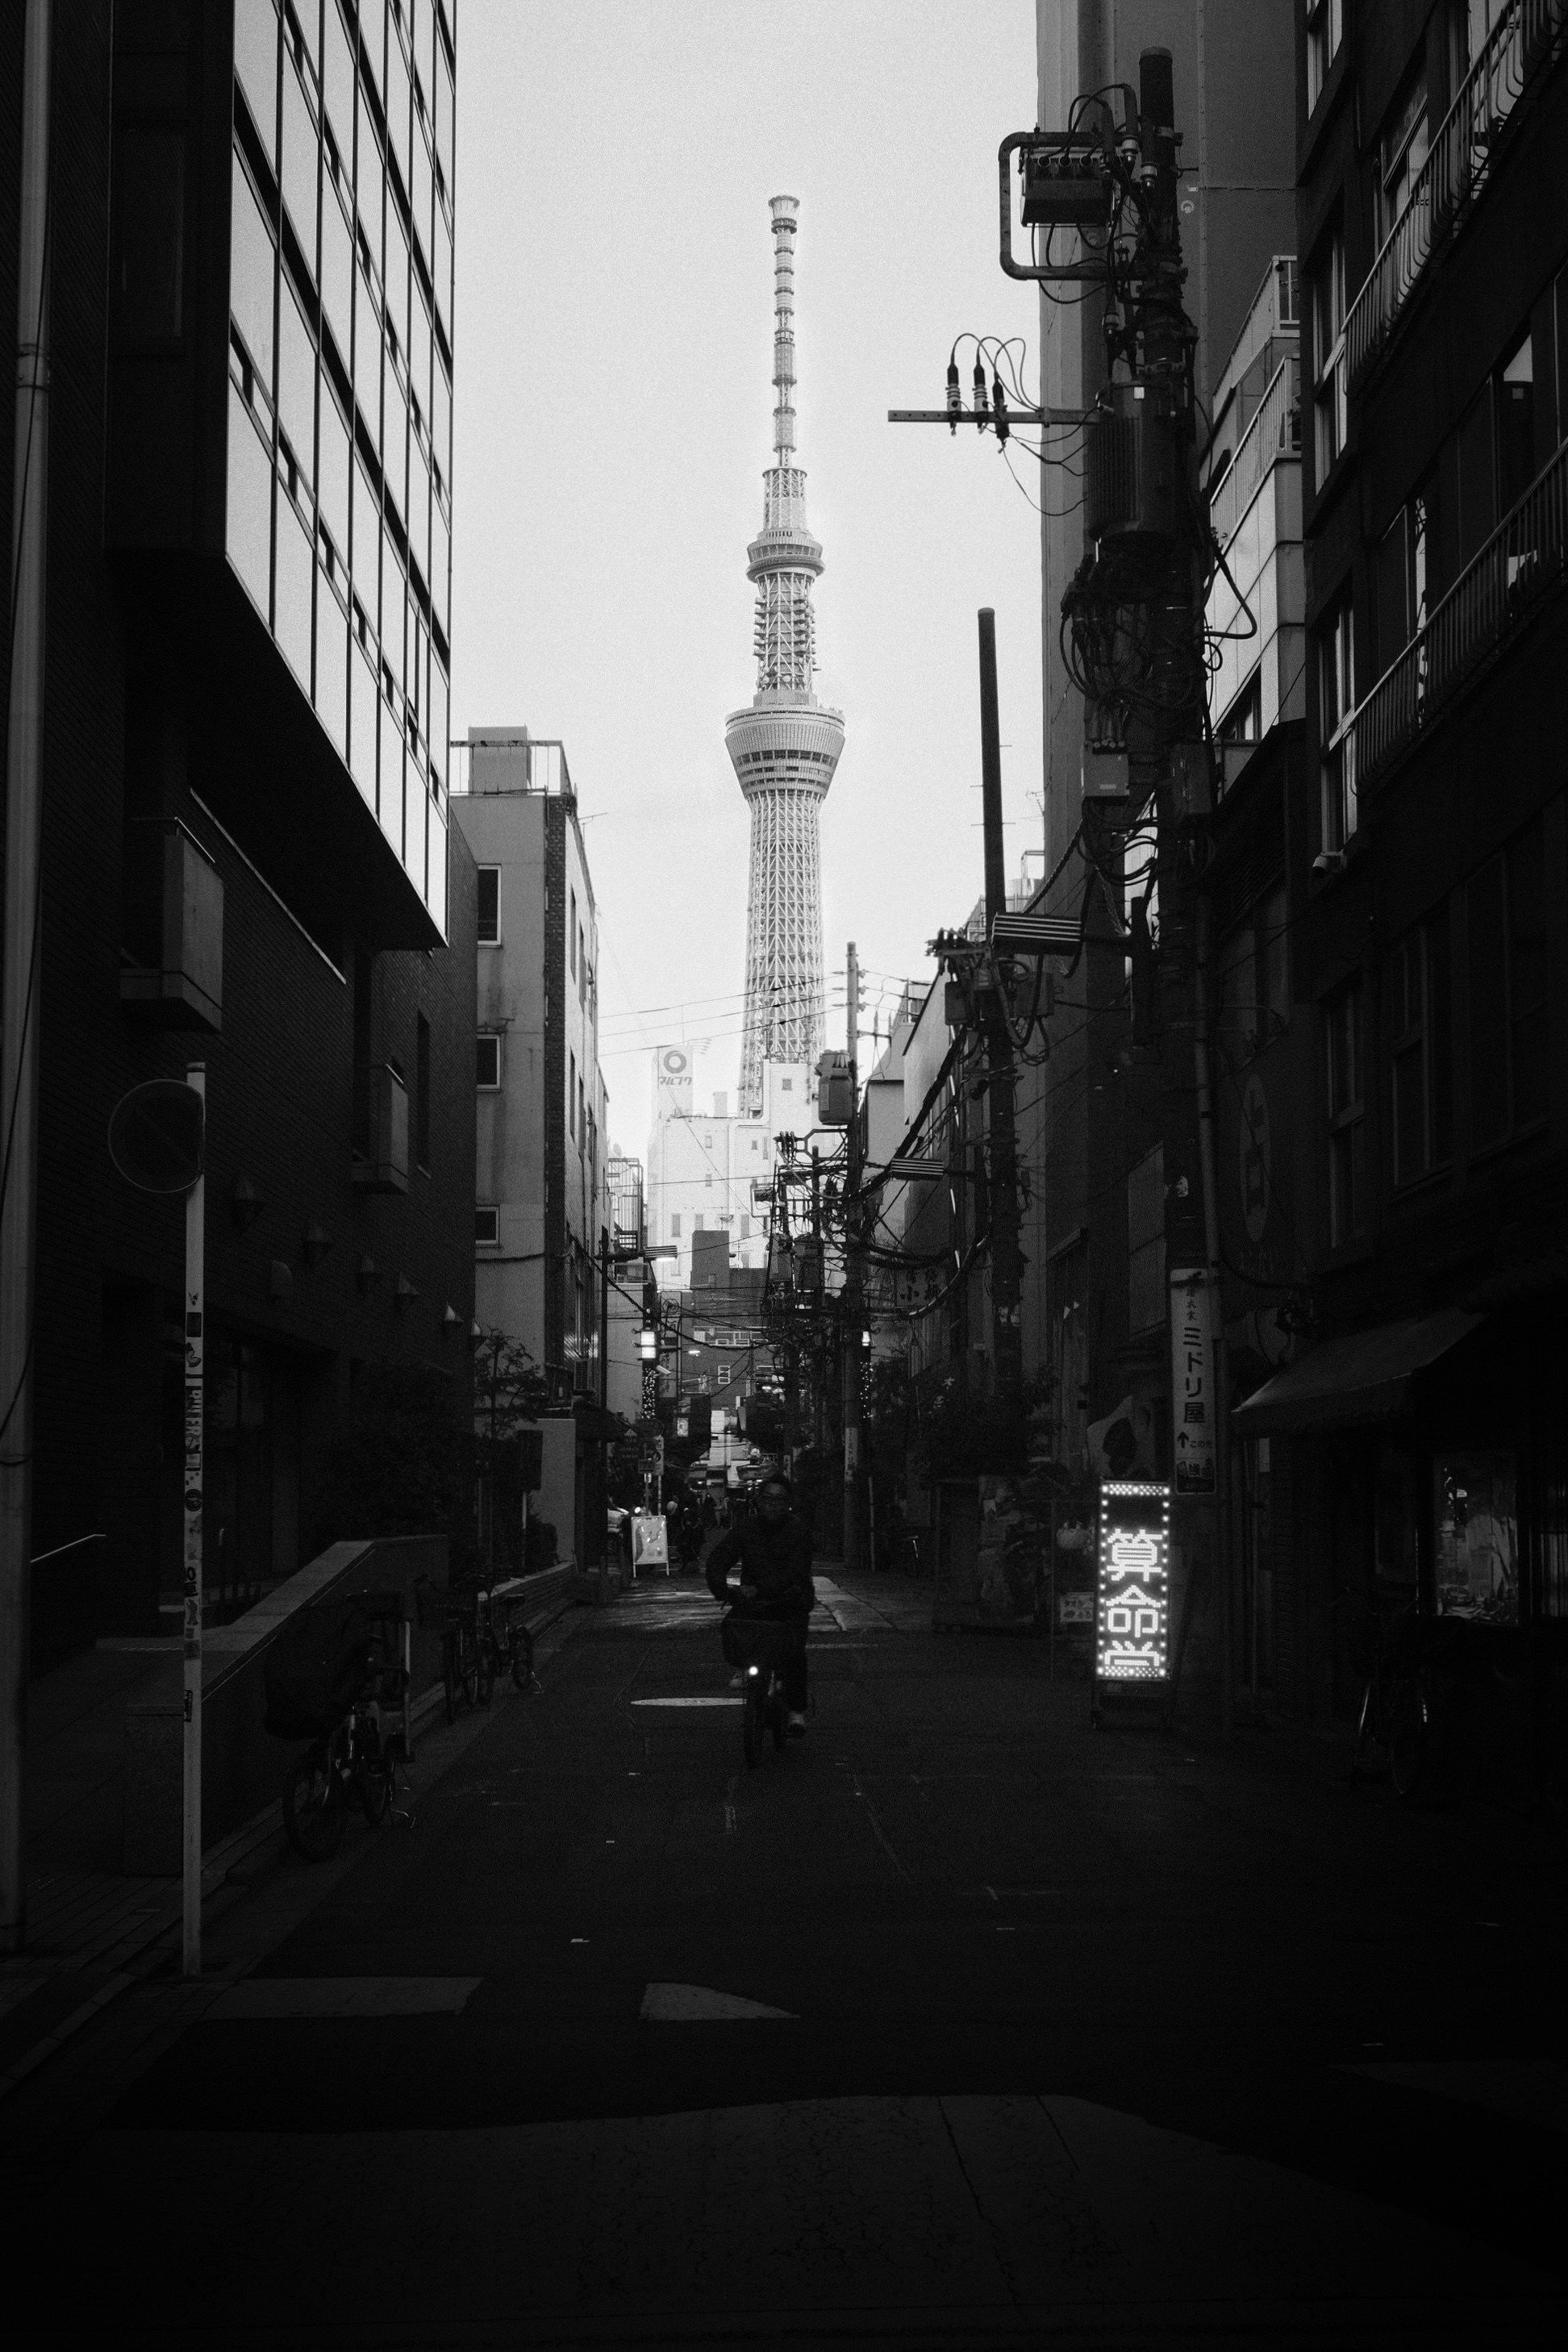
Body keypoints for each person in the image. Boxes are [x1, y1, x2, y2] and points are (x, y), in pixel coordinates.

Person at [705, 1472, 815, 1737]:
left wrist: (760, 1588)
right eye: (768, 1499)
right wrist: (720, 1588)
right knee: (736, 1627)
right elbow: (720, 1557)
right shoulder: (747, 1528)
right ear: (759, 1501)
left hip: (791, 1600)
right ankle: (744, 1668)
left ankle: (796, 1711)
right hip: (754, 1602)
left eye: (780, 1500)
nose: (774, 1505)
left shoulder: (798, 1531)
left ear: (788, 1503)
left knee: (794, 1653)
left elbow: (796, 1571)